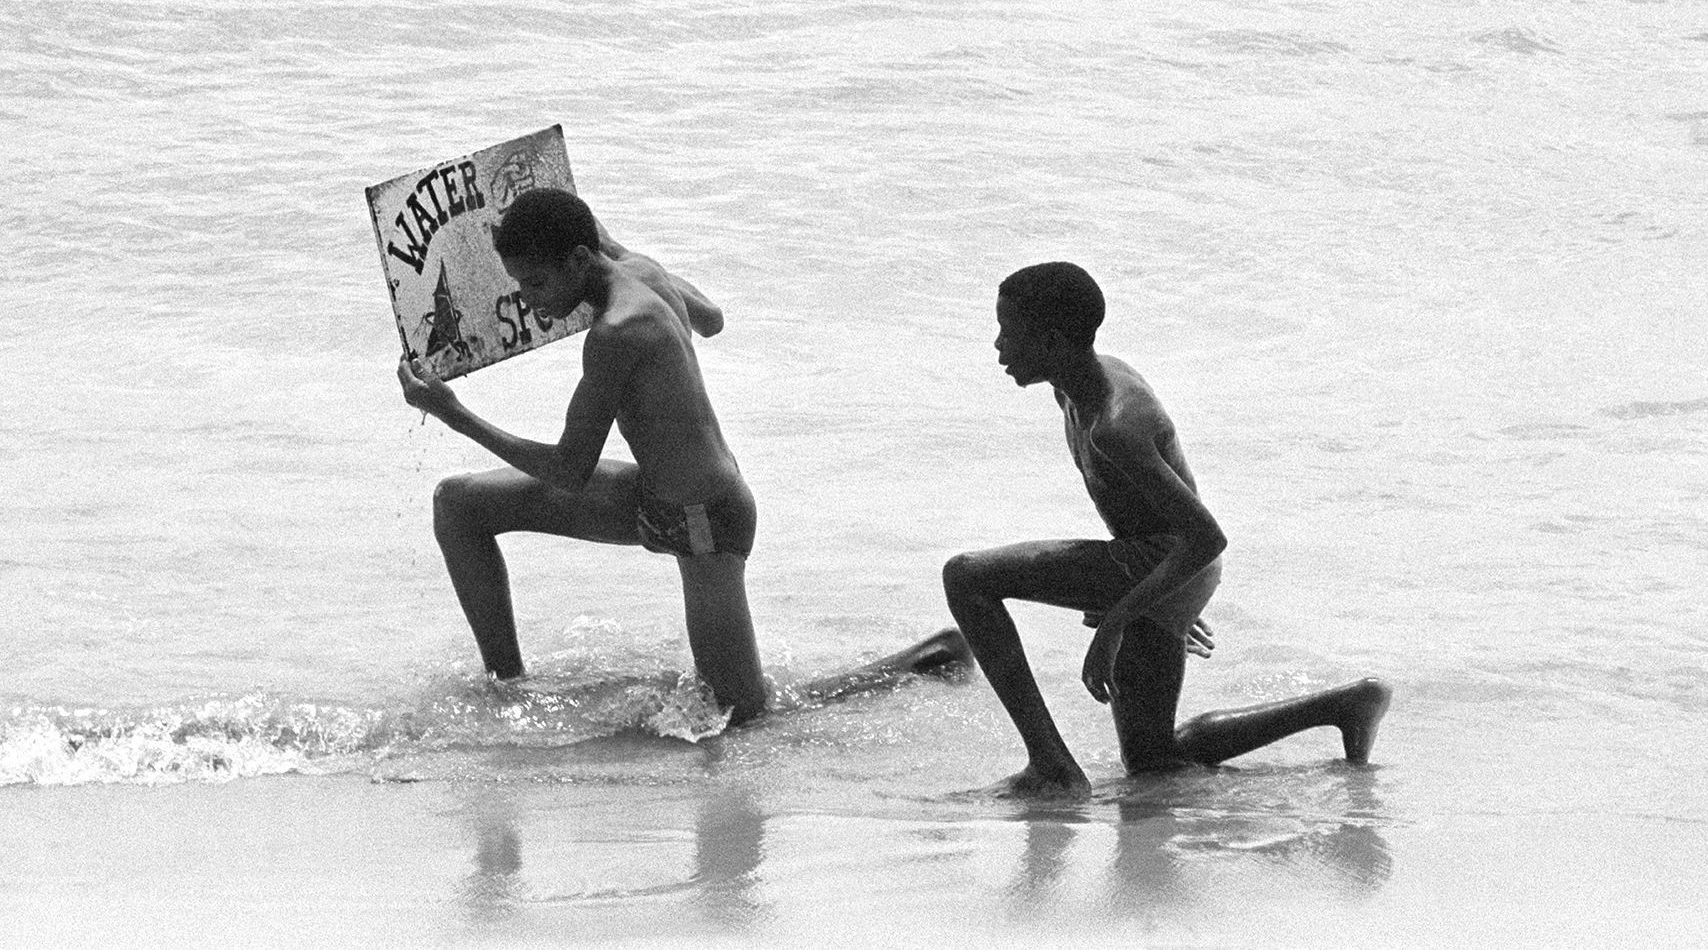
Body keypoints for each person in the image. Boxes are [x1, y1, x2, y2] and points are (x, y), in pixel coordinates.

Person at [399, 187, 966, 724]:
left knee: (743, 717)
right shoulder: (640, 270)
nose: (528, 300)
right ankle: (508, 688)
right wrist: (608, 242)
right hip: (656, 495)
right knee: (460, 505)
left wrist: (453, 413)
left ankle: (930, 658)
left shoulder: (617, 333)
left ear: (577, 259)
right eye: (521, 283)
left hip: (705, 522)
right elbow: (712, 318)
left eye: (537, 283)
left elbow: (571, 471)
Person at [941, 262, 1391, 795]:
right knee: (1152, 760)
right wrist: (1159, 593)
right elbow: (1148, 514)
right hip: (1168, 567)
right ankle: (1342, 705)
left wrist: (1118, 619)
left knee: (966, 577)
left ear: (1053, 340)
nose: (997, 347)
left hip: (1171, 558)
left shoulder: (1116, 425)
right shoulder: (1075, 385)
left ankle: (1050, 765)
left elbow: (1207, 536)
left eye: (1008, 333)